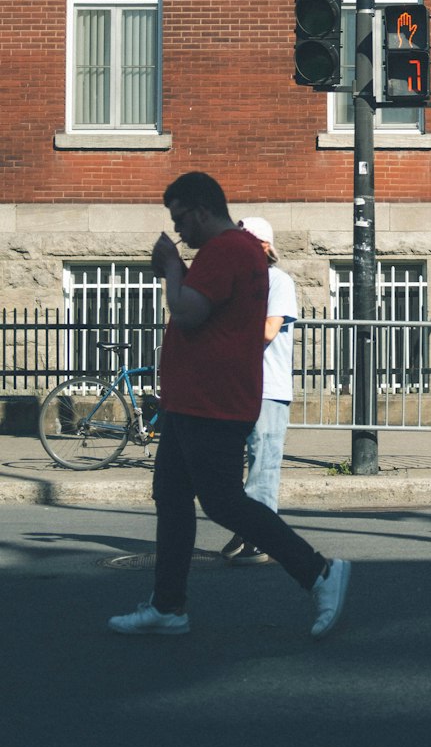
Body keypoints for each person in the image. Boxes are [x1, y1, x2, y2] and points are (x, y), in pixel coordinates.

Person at [108, 172, 350, 638]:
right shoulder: (231, 252)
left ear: (201, 210)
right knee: (174, 498)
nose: (178, 230)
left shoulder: (225, 251)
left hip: (211, 401)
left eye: (180, 219)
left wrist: (172, 269)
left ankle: (318, 572)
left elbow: (187, 312)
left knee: (222, 502)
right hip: (193, 400)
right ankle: (167, 606)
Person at [220, 217, 298, 564]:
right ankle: (249, 525)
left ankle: (260, 537)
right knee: (226, 464)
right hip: (235, 386)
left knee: (263, 463)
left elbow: (268, 330)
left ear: (263, 247)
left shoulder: (278, 282)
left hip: (268, 387)